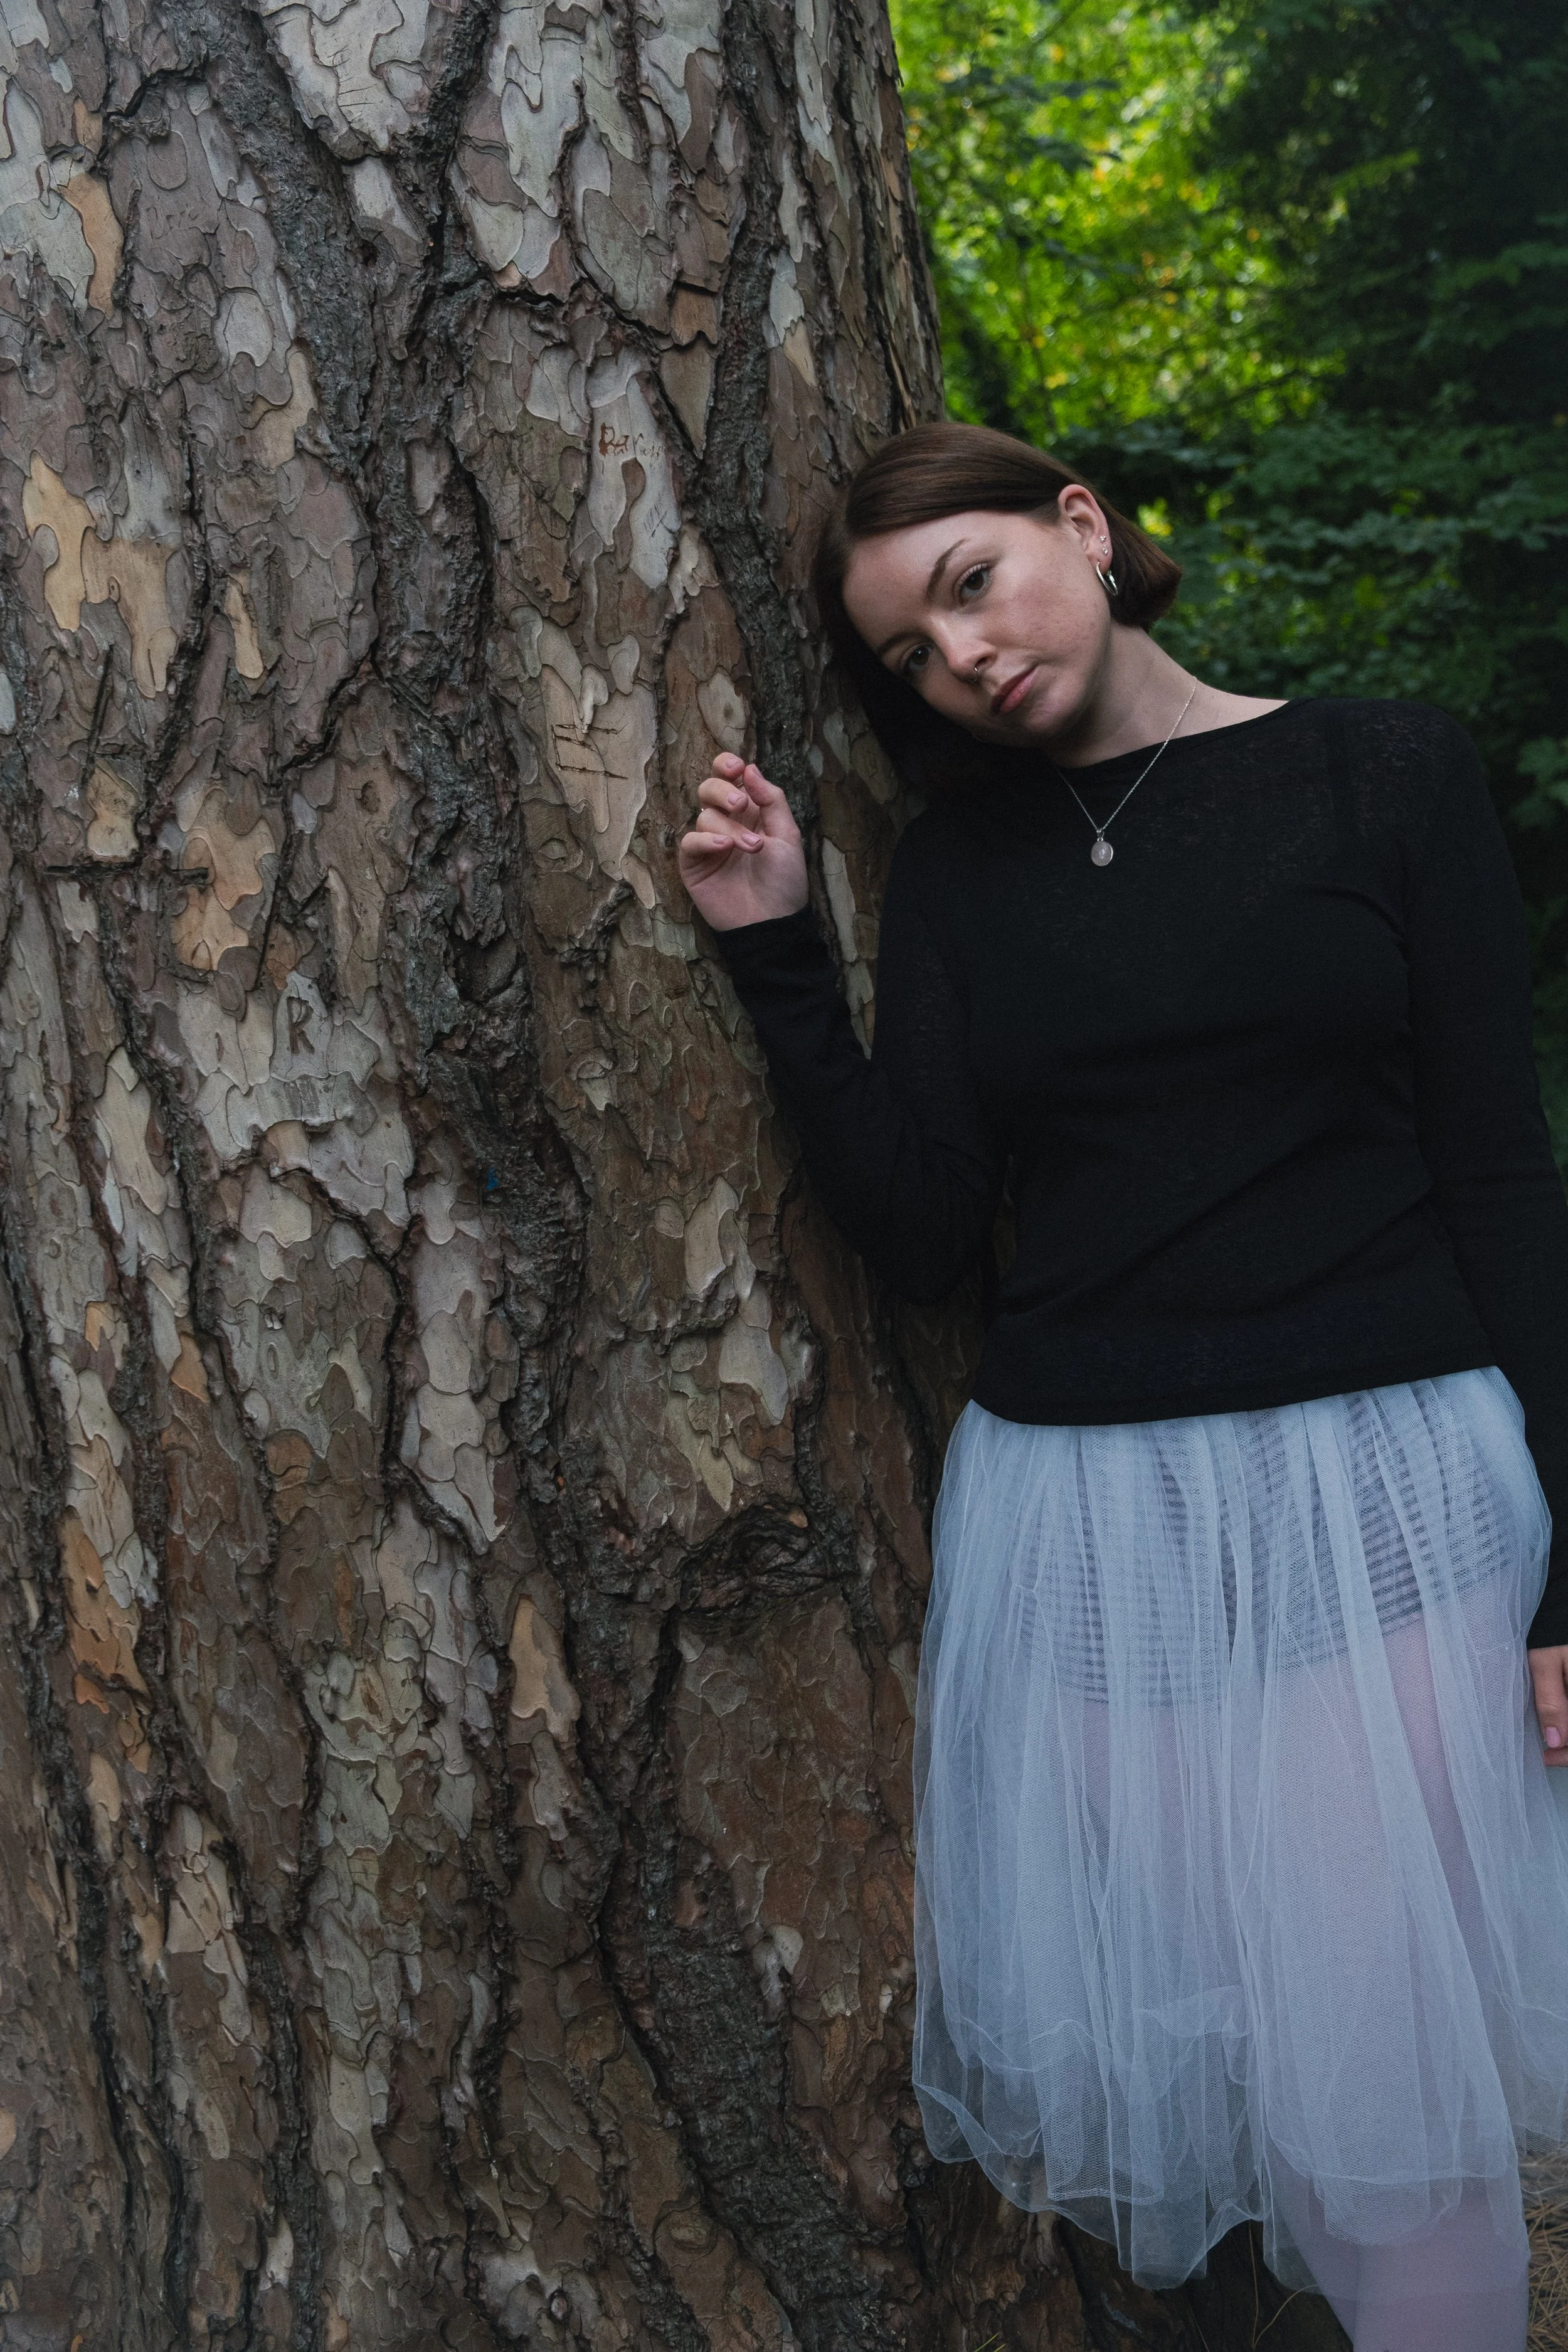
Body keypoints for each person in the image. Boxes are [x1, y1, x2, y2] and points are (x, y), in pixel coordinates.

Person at [674, 420, 1568, 2350]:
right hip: (1084, 1532)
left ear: (1081, 525)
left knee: (1379, 2097)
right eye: (909, 653)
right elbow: (919, 1228)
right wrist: (774, 963)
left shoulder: (1380, 769)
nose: (961, 656)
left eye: (970, 582)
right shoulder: (959, 871)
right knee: (1204, 2080)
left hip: (1380, 1493)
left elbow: (1503, 1171)